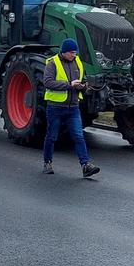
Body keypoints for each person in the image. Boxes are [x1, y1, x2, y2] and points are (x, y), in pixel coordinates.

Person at [43, 37, 100, 177]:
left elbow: (82, 80)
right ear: (64, 52)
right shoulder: (52, 63)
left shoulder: (78, 63)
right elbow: (48, 82)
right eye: (72, 53)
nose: (74, 55)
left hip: (73, 107)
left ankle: (86, 165)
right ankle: (47, 162)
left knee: (78, 136)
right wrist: (69, 85)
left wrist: (84, 86)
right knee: (52, 137)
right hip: (55, 107)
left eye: (75, 53)